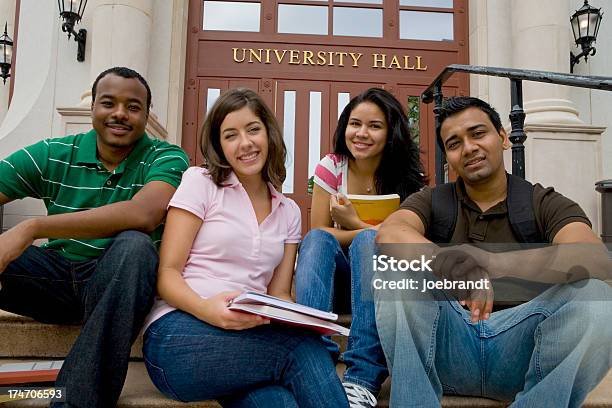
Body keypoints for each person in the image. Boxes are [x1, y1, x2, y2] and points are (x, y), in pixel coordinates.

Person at [375, 96, 612, 407]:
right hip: (448, 349)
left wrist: (493, 263)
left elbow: (595, 258)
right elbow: (389, 233)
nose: (469, 148)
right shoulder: (432, 201)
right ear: (448, 157)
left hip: (522, 355)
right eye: (454, 143)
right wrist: (455, 265)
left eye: (477, 133)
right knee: (394, 271)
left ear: (502, 137)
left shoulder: (542, 202)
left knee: (598, 297)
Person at [142, 88, 349, 408]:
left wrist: (300, 317)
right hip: (178, 333)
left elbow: (278, 292)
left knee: (279, 402)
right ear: (219, 146)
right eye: (230, 135)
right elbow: (167, 274)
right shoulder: (201, 183)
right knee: (302, 350)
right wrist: (207, 309)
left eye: (253, 129)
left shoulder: (289, 212)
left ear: (269, 134)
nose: (245, 143)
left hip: (247, 339)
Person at [0, 66, 189, 407]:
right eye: (108, 103)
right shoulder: (53, 152)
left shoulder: (166, 156)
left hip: (119, 284)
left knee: (135, 247)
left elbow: (143, 215)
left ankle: (72, 402)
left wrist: (32, 227)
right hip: (53, 280)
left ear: (147, 115)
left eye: (133, 106)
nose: (120, 113)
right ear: (93, 109)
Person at [295, 87, 425, 407]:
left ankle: (363, 377)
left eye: (374, 126)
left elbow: (405, 239)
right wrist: (368, 231)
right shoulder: (332, 166)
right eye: (355, 124)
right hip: (336, 280)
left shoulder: (409, 178)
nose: (361, 134)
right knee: (317, 241)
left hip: (385, 280)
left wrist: (354, 224)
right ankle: (314, 357)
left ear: (390, 132)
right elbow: (319, 232)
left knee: (369, 241)